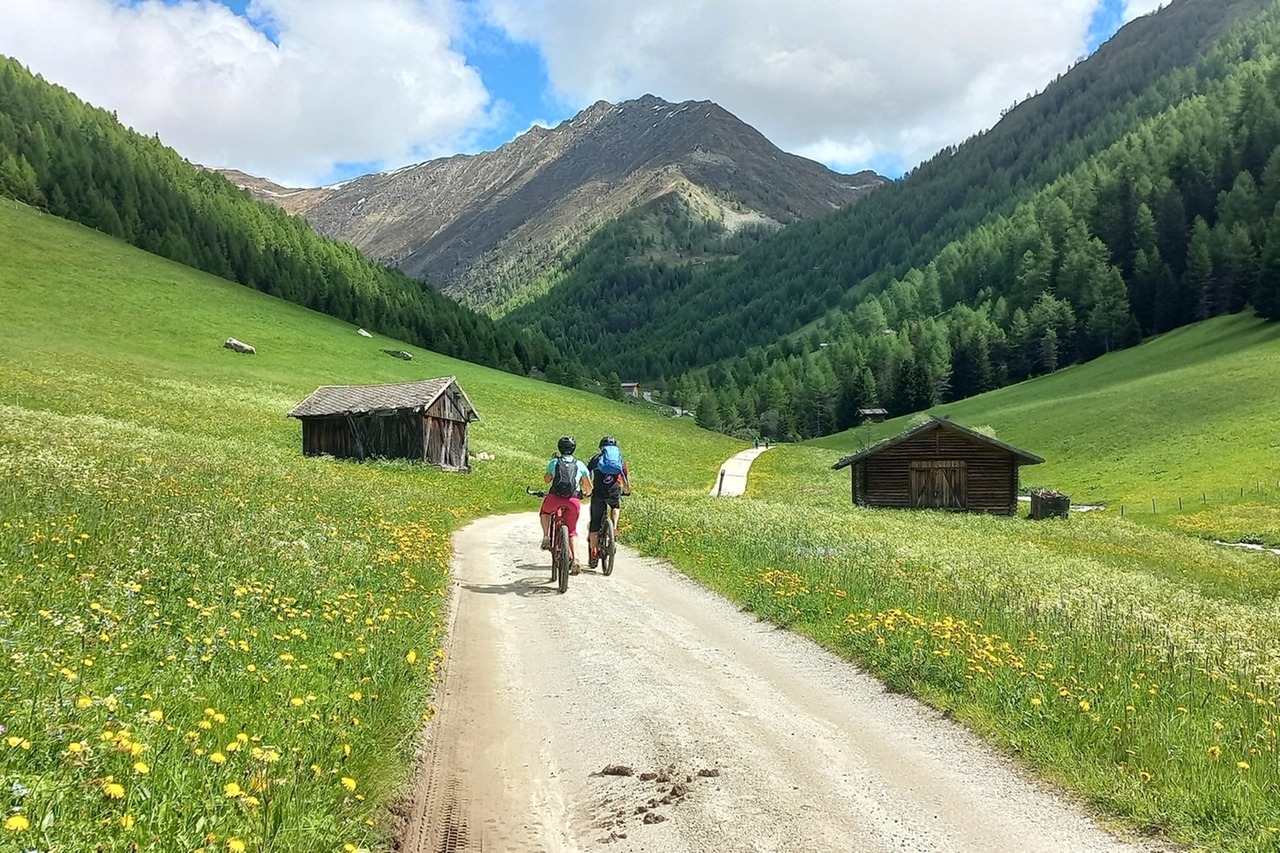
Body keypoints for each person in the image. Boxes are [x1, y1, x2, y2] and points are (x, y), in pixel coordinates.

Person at [540, 436, 592, 573]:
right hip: (572, 501)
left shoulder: (554, 462)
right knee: (572, 530)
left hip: (554, 498)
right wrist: (585, 494)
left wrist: (551, 471)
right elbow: (589, 486)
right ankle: (575, 558)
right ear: (573, 449)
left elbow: (546, 480)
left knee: (544, 512)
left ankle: (546, 537)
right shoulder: (579, 464)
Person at [586, 435, 631, 569]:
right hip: (614, 490)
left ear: (602, 448)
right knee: (615, 505)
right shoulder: (620, 461)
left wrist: (586, 491)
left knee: (594, 524)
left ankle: (593, 553)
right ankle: (614, 527)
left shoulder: (595, 459)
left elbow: (587, 476)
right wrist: (627, 490)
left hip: (599, 492)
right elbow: (625, 478)